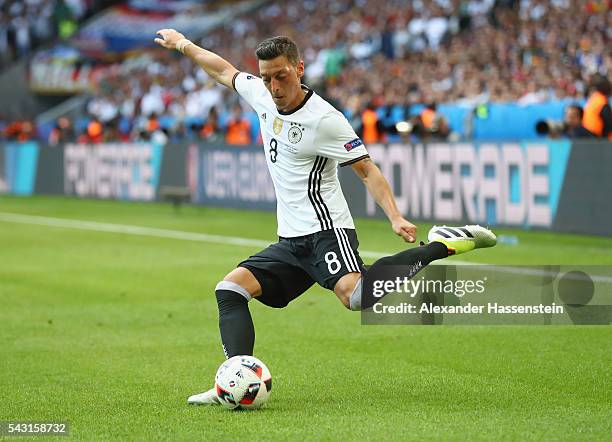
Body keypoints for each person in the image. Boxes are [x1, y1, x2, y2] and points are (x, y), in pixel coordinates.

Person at [154, 30, 497, 405]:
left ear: (299, 69)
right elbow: (224, 71)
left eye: (281, 76)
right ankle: (233, 382)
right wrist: (184, 45)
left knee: (358, 297)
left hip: (327, 233)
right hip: (291, 241)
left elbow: (367, 170)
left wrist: (395, 217)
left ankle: (441, 244)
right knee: (230, 290)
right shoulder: (261, 94)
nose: (272, 86)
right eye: (266, 77)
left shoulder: (326, 120)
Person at [583, 74, 612, 140]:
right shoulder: (602, 102)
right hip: (596, 136)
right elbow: (608, 123)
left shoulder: (594, 98)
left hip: (588, 133)